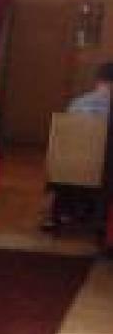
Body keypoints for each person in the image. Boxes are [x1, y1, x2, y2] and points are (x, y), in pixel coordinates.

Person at [41, 61, 113, 232]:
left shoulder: (78, 103)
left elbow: (67, 139)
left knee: (63, 161)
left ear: (98, 80)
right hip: (105, 174)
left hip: (74, 170)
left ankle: (56, 213)